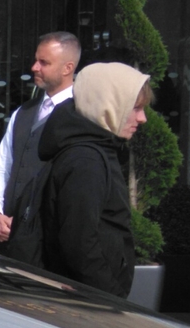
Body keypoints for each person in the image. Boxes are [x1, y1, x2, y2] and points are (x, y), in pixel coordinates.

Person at [35, 61, 151, 297]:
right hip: (87, 301)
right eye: (135, 108)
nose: (142, 119)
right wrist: (110, 297)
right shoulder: (86, 161)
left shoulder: (95, 150)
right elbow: (79, 244)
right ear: (109, 105)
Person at [0, 31, 80, 261]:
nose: (34, 67)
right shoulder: (23, 112)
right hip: (8, 243)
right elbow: (2, 166)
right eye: (36, 60)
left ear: (67, 68)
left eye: (44, 62)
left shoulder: (81, 116)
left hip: (49, 251)